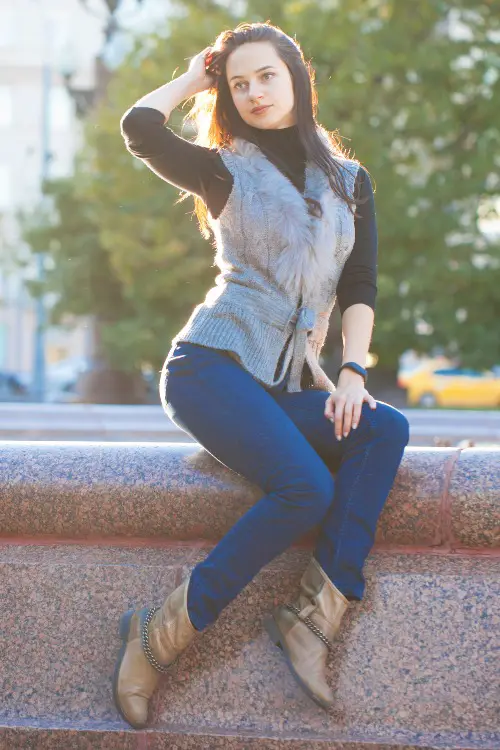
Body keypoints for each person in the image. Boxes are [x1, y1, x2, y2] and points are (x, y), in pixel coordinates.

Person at [114, 22, 410, 729]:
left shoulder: (350, 182)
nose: (252, 92)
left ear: (295, 78)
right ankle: (158, 634)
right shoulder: (223, 169)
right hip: (209, 367)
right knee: (305, 486)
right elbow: (139, 128)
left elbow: (361, 285)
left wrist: (350, 372)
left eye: (265, 77)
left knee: (382, 428)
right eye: (239, 82)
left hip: (282, 383)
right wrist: (195, 76)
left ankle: (315, 615)